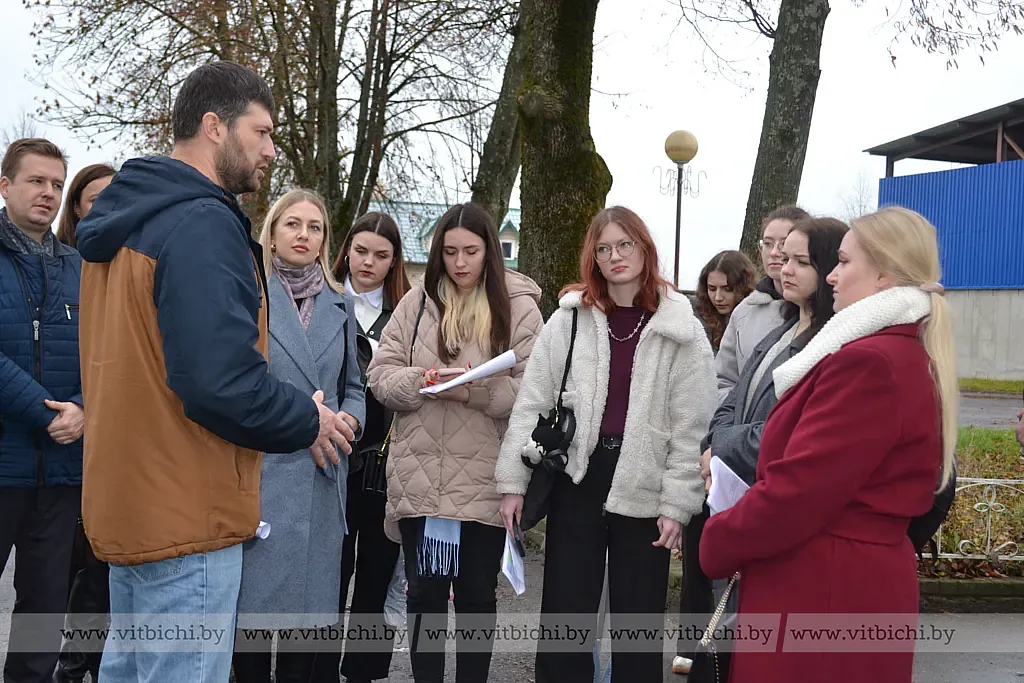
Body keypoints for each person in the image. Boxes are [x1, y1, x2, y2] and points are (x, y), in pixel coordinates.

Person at [75, 61, 357, 683]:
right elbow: (219, 382)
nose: (270, 149)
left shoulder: (126, 220)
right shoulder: (201, 222)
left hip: (129, 505)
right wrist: (303, 418)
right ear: (214, 126)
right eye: (261, 132)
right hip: (186, 515)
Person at [699, 206, 958, 683]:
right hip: (838, 584)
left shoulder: (870, 362)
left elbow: (799, 492)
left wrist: (719, 539)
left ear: (883, 275)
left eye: (842, 262)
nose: (832, 275)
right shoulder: (893, 350)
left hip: (822, 590)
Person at [496, 206, 717, 683]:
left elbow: (691, 427)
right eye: (603, 248)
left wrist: (678, 505)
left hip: (645, 481)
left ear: (644, 249)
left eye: (625, 245)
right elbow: (532, 402)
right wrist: (513, 481)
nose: (615, 256)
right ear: (592, 258)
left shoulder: (681, 327)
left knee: (638, 622)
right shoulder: (570, 319)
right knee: (565, 616)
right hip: (579, 476)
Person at [367, 202, 544, 683]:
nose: (460, 262)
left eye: (470, 251)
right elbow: (379, 374)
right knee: (423, 593)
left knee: (474, 596)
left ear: (490, 251)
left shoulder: (520, 305)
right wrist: (420, 379)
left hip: (486, 473)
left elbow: (535, 390)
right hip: (420, 474)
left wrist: (474, 391)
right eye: (449, 252)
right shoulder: (417, 301)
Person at [683, 218, 847, 677]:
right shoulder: (782, 329)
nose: (783, 266)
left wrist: (720, 451)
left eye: (801, 260)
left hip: (772, 510)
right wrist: (713, 443)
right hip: (738, 494)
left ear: (830, 268)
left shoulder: (828, 345)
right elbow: (731, 396)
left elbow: (782, 430)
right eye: (780, 255)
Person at [232, 189, 366, 683]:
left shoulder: (341, 306)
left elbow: (354, 386)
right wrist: (304, 422)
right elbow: (242, 384)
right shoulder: (250, 296)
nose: (303, 235)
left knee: (306, 633)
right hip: (266, 473)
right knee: (252, 627)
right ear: (272, 232)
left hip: (321, 476)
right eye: (292, 224)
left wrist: (346, 421)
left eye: (314, 227)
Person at [310, 211, 412, 683]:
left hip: (387, 465)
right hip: (326, 458)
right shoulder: (319, 301)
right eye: (362, 251)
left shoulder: (409, 314)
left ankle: (365, 671)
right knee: (329, 574)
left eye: (382, 255)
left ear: (394, 263)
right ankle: (320, 669)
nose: (368, 262)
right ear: (346, 249)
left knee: (377, 572)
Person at [0, 138, 83, 683]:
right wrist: (44, 411)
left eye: (56, 184)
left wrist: (85, 408)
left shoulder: (82, 268)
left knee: (44, 611)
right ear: (5, 186)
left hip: (61, 475)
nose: (48, 194)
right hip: (3, 461)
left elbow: (109, 355)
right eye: (36, 181)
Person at [51, 161, 115, 683]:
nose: (107, 205)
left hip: (118, 440)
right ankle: (74, 665)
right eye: (95, 198)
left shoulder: (139, 263)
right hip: (66, 434)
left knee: (107, 565)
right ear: (77, 208)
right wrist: (80, 405)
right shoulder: (65, 266)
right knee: (78, 569)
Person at [715, 205, 809, 403]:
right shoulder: (744, 311)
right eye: (767, 244)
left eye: (783, 243)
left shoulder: (824, 311)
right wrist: (736, 423)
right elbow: (723, 381)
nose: (774, 252)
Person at [693, 249, 757, 354]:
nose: (718, 297)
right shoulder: (695, 320)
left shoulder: (758, 319)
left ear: (743, 288)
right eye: (712, 289)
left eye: (728, 289)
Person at [55, 163, 115, 249]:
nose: (106, 207)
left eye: (112, 199)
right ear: (76, 207)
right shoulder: (57, 258)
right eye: (95, 200)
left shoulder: (134, 252)